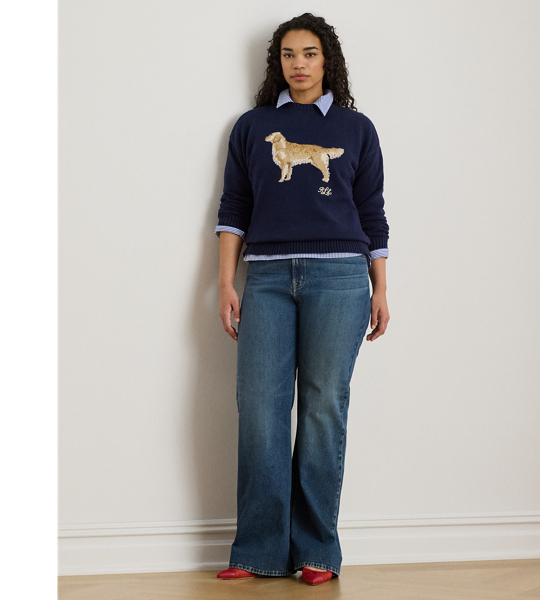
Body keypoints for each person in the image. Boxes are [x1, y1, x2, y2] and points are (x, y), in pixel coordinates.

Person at [214, 13, 390, 586]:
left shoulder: (356, 128)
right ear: (278, 63)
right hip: (265, 278)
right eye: (289, 54)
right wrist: (225, 283)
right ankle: (258, 550)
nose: (299, 64)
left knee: (322, 407)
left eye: (309, 53)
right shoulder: (253, 127)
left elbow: (372, 212)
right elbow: (235, 207)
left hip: (341, 278)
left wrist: (381, 287)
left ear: (326, 59)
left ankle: (317, 551)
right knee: (260, 409)